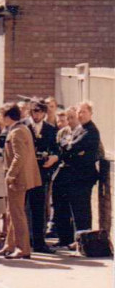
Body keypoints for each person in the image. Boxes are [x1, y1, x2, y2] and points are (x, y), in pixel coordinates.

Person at [53, 101, 101, 250]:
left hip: (82, 176)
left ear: (91, 114)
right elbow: (63, 143)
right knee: (65, 206)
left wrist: (69, 147)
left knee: (81, 209)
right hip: (71, 174)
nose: (80, 115)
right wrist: (69, 147)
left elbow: (72, 147)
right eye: (79, 112)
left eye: (84, 112)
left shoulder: (90, 131)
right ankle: (66, 238)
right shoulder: (78, 128)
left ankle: (82, 240)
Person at [0, 102, 42, 259]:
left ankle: (23, 248)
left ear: (8, 116)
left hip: (18, 178)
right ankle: (10, 245)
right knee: (12, 212)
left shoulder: (17, 132)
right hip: (20, 177)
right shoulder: (20, 129)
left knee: (17, 213)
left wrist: (10, 174)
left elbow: (19, 156)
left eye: (2, 115)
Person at [25, 99, 59, 254]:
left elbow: (56, 149)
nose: (37, 115)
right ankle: (25, 240)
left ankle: (39, 242)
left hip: (42, 172)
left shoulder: (51, 129)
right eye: (34, 111)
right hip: (26, 171)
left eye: (40, 111)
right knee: (24, 207)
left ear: (45, 113)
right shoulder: (23, 126)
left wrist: (53, 158)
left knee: (39, 207)